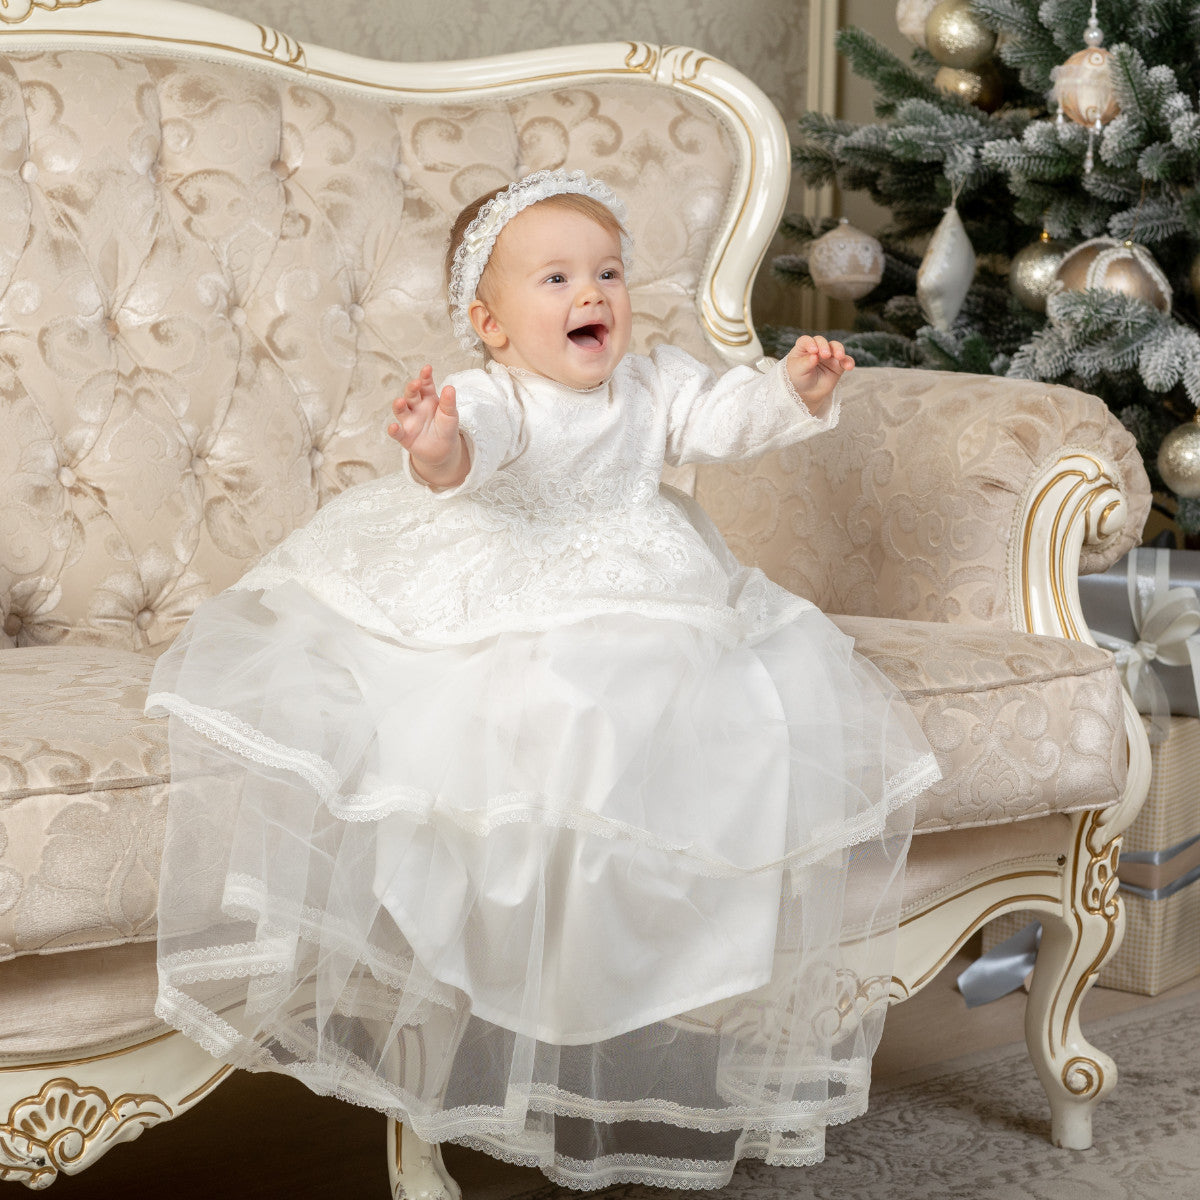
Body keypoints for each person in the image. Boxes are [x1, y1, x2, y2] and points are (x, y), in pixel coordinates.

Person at [148, 169, 939, 1191]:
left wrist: (792, 391)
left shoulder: (648, 385)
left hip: (641, 573)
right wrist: (438, 446)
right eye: (556, 279)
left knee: (723, 689)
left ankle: (672, 952)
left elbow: (719, 420)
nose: (591, 296)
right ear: (491, 323)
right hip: (508, 566)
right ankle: (520, 949)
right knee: (539, 695)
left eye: (607, 272)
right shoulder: (495, 396)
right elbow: (475, 451)